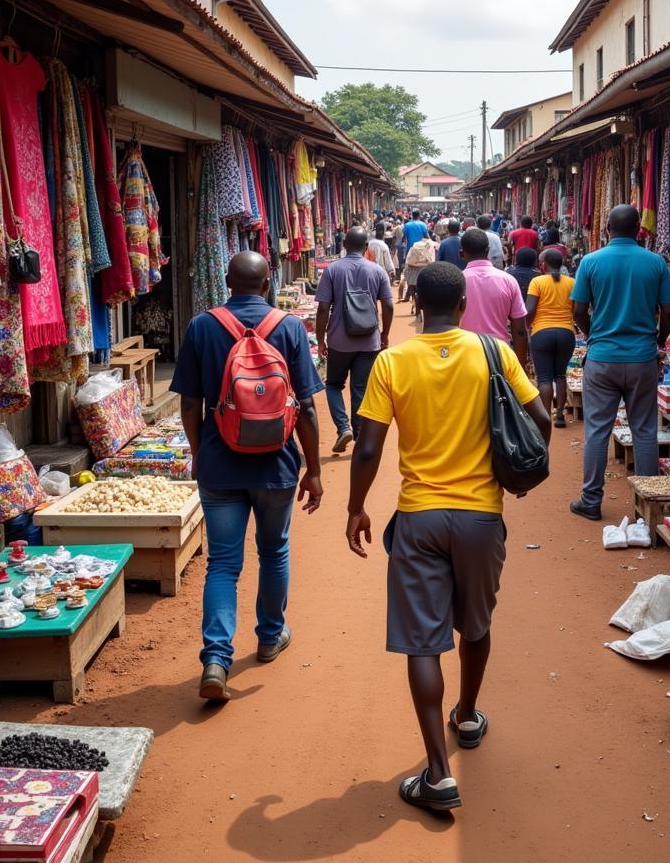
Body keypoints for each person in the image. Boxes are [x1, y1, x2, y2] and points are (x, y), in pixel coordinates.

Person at [346, 262, 551, 812]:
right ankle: (467, 716)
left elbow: (367, 449)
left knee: (423, 642)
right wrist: (521, 479)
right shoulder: (495, 353)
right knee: (476, 627)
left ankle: (436, 774)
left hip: (418, 518)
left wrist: (355, 508)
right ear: (462, 306)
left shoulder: (392, 362)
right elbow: (542, 420)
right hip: (483, 516)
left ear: (413, 302)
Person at [171, 252, 324, 703]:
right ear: (267, 282)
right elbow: (309, 408)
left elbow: (187, 403)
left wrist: (201, 454)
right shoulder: (290, 327)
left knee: (222, 563)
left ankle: (216, 659)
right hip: (276, 466)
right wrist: (313, 470)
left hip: (220, 466)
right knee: (274, 549)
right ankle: (270, 636)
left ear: (225, 280)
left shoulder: (202, 326)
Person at [570, 204, 670, 520]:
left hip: (602, 359)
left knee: (597, 431)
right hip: (642, 357)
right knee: (644, 430)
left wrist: (593, 337)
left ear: (606, 229)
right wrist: (657, 341)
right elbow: (669, 311)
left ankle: (591, 501)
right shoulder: (655, 263)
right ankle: (648, 506)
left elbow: (578, 311)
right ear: (638, 231)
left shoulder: (590, 262)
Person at [316, 228, 394, 453]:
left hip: (339, 340)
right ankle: (359, 436)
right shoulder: (377, 270)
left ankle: (343, 428)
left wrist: (321, 340)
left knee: (332, 385)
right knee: (360, 389)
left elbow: (322, 308)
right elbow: (388, 305)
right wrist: (385, 334)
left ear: (344, 246)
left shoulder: (333, 270)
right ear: (366, 248)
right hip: (369, 341)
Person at [459, 227, 529, 368]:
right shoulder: (508, 280)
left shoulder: (456, 282)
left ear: (462, 254)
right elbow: (520, 329)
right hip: (500, 357)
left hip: (465, 357)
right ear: (488, 250)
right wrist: (520, 368)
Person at [526, 248, 578, 429]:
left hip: (542, 333)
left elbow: (530, 309)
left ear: (543, 265)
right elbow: (576, 310)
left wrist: (526, 326)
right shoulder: (572, 282)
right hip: (566, 333)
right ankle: (560, 415)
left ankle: (545, 417)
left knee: (544, 378)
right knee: (560, 375)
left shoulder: (537, 281)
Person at [403, 230, 437, 314]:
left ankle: (415, 305)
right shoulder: (433, 244)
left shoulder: (415, 245)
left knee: (414, 290)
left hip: (415, 271)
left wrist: (406, 273)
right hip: (428, 271)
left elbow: (408, 260)